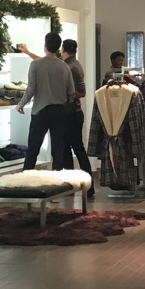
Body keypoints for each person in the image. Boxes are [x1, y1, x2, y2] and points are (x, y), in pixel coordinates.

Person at [17, 31, 77, 171]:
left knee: (33, 149)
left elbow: (31, 89)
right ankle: (57, 179)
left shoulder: (36, 65)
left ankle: (25, 178)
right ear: (58, 48)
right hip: (60, 111)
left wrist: (21, 104)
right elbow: (71, 91)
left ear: (45, 45)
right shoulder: (64, 67)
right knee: (58, 150)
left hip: (41, 111)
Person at [60, 39, 94, 195]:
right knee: (71, 149)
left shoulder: (71, 67)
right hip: (72, 113)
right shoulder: (73, 64)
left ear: (63, 50)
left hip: (71, 114)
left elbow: (81, 92)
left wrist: (66, 96)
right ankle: (75, 187)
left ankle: (86, 186)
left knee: (76, 149)